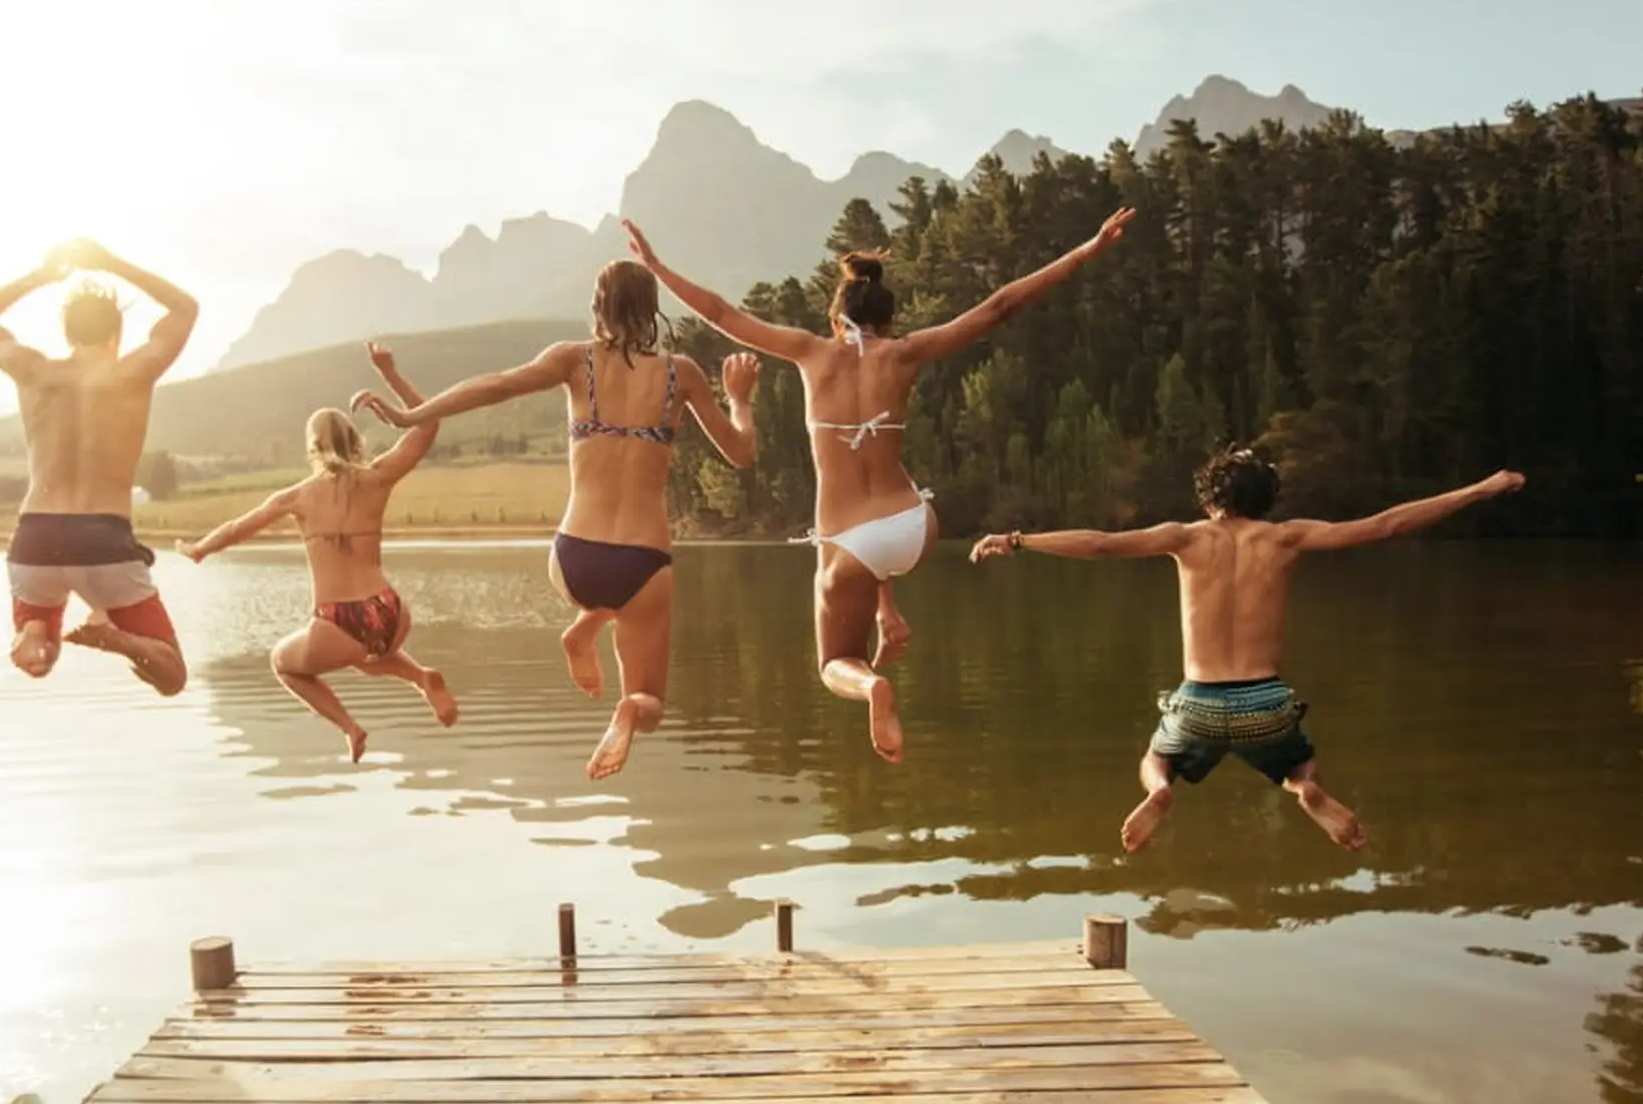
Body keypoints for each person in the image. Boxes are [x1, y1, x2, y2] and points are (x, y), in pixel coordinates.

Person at [624, 209, 1133, 763]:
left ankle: (872, 687)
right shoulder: (905, 353)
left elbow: (721, 312)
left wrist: (656, 268)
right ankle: (886, 611)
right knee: (875, 516)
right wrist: (1087, 248)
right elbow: (999, 306)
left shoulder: (810, 352)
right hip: (916, 526)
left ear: (837, 320)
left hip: (855, 543)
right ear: (889, 322)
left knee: (832, 663)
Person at [971, 448, 1527, 852]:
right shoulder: (1286, 537)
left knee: (1157, 756)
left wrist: (1018, 540)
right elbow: (1386, 525)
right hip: (1265, 702)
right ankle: (1307, 788)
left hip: (1199, 703)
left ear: (1210, 498)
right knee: (1297, 760)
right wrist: (1480, 489)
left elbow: (1098, 544)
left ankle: (1161, 790)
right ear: (1267, 498)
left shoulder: (1184, 538)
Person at [357, 264, 760, 779]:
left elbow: (494, 386)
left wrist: (410, 416)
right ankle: (628, 708)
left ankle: (582, 628)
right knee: (649, 697)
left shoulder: (575, 361)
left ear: (598, 307)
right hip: (645, 561)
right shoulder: (681, 374)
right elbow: (742, 453)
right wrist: (742, 398)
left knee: (600, 596)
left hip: (575, 558)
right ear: (651, 309)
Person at [176, 346, 458, 762]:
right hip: (390, 610)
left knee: (284, 663)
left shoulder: (297, 497)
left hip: (338, 621)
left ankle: (350, 727)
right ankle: (420, 677)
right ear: (356, 442)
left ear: (311, 448)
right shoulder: (378, 477)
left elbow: (240, 528)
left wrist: (199, 549)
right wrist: (390, 374)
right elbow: (428, 422)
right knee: (365, 654)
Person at [0, 238, 198, 694]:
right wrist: (112, 263)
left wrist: (40, 277)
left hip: (34, 538)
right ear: (115, 334)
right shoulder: (134, 372)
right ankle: (118, 639)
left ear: (67, 333)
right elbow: (184, 309)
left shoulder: (33, 371)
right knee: (171, 677)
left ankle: (36, 635)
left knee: (42, 656)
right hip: (101, 539)